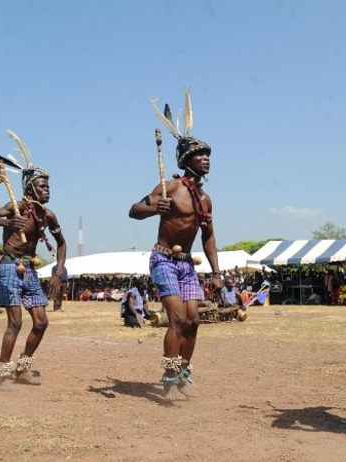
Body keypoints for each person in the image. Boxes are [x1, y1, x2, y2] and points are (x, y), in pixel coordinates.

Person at [129, 89, 222, 399]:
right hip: (164, 259)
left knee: (194, 319)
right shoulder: (169, 188)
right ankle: (169, 371)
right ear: (186, 159)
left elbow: (208, 237)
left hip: (186, 264)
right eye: (200, 154)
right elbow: (134, 210)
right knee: (178, 317)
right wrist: (155, 208)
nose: (206, 159)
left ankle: (183, 368)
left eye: (208, 154)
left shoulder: (205, 199)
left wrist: (217, 272)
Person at [0, 130, 66, 389]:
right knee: (15, 322)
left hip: (29, 269)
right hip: (8, 267)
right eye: (42, 186)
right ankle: (3, 373)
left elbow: (62, 244)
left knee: (41, 322)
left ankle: (22, 367)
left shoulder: (48, 216)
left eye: (48, 186)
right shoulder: (13, 206)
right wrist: (7, 221)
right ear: (30, 188)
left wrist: (56, 273)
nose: (47, 190)